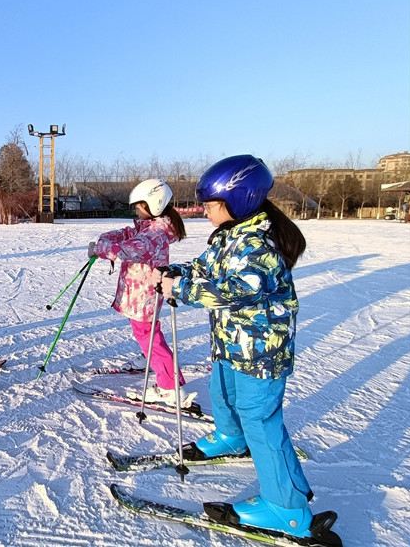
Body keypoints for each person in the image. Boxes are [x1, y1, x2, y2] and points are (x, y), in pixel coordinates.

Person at [150, 155, 316, 539]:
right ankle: (230, 436)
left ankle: (287, 509)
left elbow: (241, 289)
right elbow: (208, 268)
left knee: (261, 420)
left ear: (238, 201)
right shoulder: (231, 236)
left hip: (260, 351)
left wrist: (183, 290)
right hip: (232, 343)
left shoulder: (259, 244)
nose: (204, 212)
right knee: (221, 392)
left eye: (210, 205)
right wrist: (180, 273)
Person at [88, 179, 195, 408]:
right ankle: (152, 362)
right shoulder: (149, 226)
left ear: (154, 205)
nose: (136, 210)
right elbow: (127, 232)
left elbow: (129, 249)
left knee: (150, 337)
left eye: (140, 206)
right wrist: (107, 237)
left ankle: (170, 388)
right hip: (140, 292)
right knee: (147, 334)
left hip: (144, 294)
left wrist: (101, 249)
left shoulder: (155, 233)